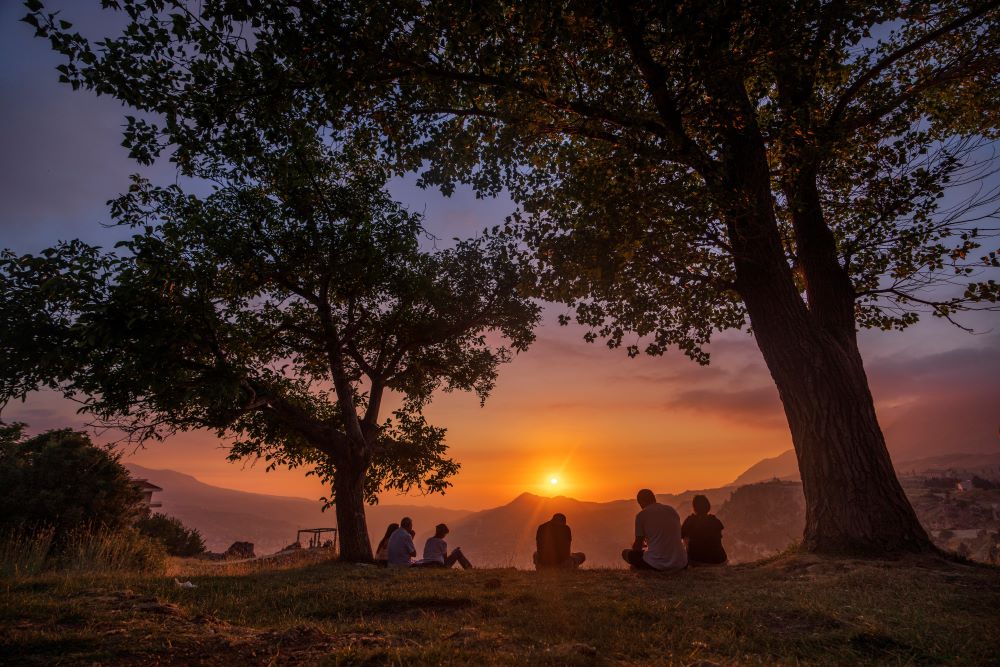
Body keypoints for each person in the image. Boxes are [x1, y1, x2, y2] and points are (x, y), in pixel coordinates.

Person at [621, 488, 687, 572]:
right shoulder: (671, 510)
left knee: (625, 553)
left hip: (658, 565)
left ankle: (637, 567)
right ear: (654, 498)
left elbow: (638, 545)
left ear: (641, 502)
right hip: (681, 563)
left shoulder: (641, 515)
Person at [681, 495, 727, 566]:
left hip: (698, 561)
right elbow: (719, 538)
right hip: (720, 560)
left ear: (694, 507)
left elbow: (680, 536)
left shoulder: (690, 521)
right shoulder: (714, 520)